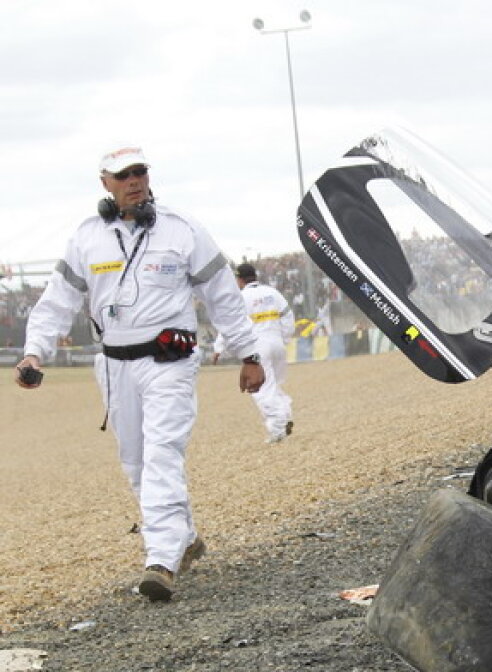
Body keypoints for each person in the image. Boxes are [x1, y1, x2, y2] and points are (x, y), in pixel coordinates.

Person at [13, 145, 265, 602]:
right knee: (135, 462)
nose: (134, 181)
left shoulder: (184, 230)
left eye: (140, 172)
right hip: (113, 366)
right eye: (123, 175)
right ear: (105, 183)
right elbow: (57, 302)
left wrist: (250, 355)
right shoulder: (86, 238)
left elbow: (224, 297)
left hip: (169, 361)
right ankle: (184, 536)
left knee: (163, 452)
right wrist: (34, 353)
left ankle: (161, 560)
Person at [214, 262, 295, 442]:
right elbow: (288, 315)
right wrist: (285, 338)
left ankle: (277, 429)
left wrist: (219, 347)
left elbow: (231, 323)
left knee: (262, 388)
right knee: (274, 384)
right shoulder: (272, 293)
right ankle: (286, 415)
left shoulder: (241, 297)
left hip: (258, 344)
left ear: (239, 279)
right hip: (277, 342)